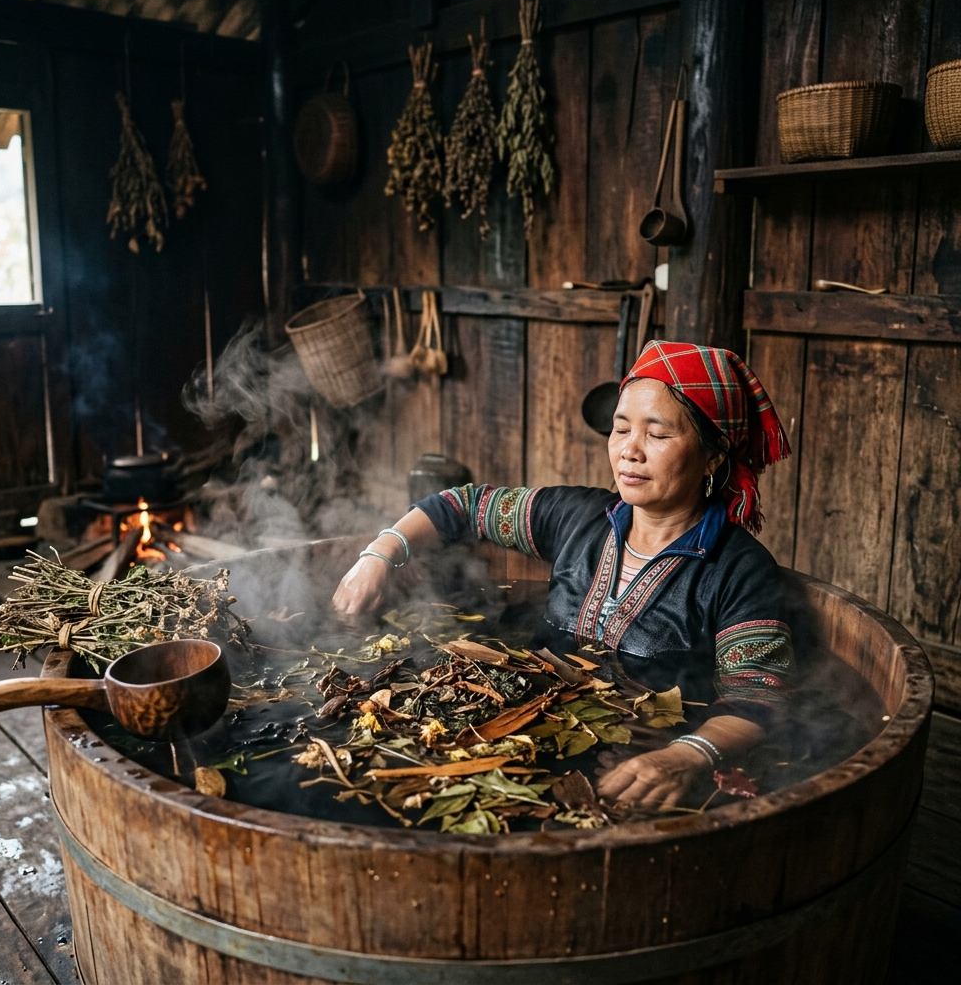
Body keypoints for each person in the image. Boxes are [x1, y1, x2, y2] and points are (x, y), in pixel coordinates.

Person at [333, 340, 795, 810]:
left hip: (632, 759)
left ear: (713, 455)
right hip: (517, 731)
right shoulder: (577, 517)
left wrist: (684, 757)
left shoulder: (739, 570)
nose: (629, 451)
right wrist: (379, 556)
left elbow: (755, 701)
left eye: (657, 435)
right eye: (620, 429)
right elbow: (462, 505)